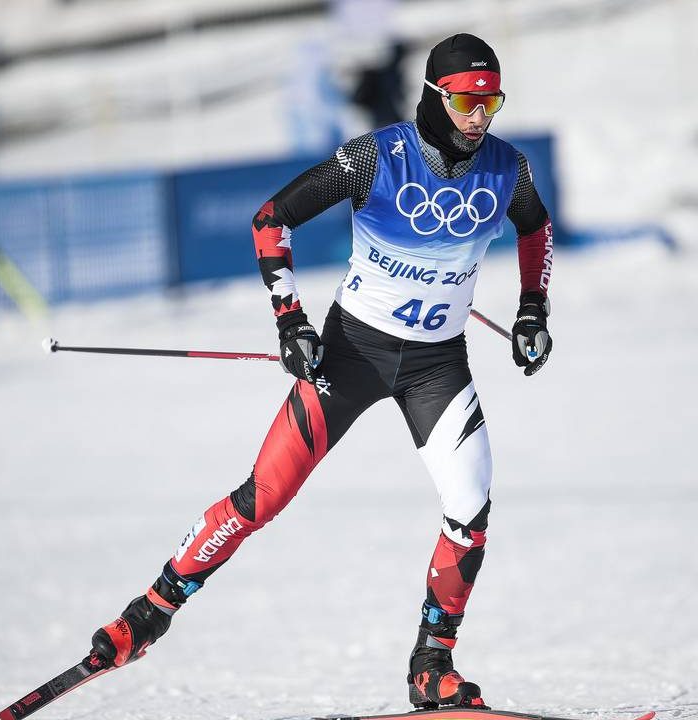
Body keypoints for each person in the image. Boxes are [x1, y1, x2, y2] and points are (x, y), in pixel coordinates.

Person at [89, 33, 554, 709]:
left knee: (470, 509)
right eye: (464, 102)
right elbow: (272, 218)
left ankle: (432, 662)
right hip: (351, 353)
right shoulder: (376, 157)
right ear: (433, 96)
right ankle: (148, 613)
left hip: (436, 366)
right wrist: (289, 320)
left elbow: (535, 229)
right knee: (264, 496)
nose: (479, 117)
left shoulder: (507, 169)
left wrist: (534, 311)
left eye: (491, 102)